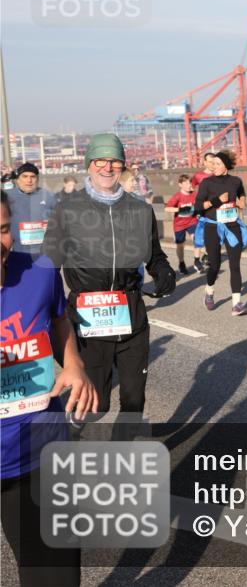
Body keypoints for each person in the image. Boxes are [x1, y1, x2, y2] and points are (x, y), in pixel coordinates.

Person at [1, 191, 99, 587]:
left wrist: (73, 363)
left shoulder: (39, 271)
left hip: (40, 449)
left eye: (2, 229)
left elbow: (58, 319)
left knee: (53, 573)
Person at [42, 133, 175, 417]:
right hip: (87, 319)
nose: (107, 167)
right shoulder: (67, 210)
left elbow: (154, 255)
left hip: (131, 314)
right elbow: (49, 266)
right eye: (100, 161)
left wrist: (163, 271)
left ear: (122, 165)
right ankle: (81, 438)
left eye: (114, 161)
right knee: (96, 404)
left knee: (134, 402)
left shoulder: (140, 209)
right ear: (89, 164)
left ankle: (124, 444)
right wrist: (43, 308)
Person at [194, 151, 247, 315]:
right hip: (213, 227)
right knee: (215, 265)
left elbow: (241, 194)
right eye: (213, 164)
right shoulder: (207, 183)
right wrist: (217, 200)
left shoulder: (236, 181)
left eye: (218, 164)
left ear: (226, 166)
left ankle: (236, 304)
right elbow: (198, 206)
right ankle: (209, 291)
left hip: (232, 226)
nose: (214, 167)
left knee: (235, 265)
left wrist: (242, 201)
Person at [7, 163, 57, 255]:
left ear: (37, 179)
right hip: (17, 253)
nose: (29, 180)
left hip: (45, 253)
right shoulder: (7, 197)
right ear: (18, 179)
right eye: (25, 176)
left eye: (32, 177)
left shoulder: (49, 196)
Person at [165, 174, 199, 275]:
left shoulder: (194, 194)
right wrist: (180, 209)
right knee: (180, 245)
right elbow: (167, 208)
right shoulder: (177, 196)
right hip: (179, 224)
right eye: (187, 183)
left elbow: (199, 205)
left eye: (190, 183)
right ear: (180, 184)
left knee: (197, 239)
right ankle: (181, 263)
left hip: (192, 221)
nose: (190, 185)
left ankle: (197, 261)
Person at [190, 153, 216, 273]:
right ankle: (196, 259)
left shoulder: (218, 174)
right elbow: (190, 188)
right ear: (204, 162)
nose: (212, 164)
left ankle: (206, 255)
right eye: (210, 161)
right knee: (199, 234)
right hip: (201, 209)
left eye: (214, 162)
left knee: (214, 235)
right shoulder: (198, 176)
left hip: (215, 209)